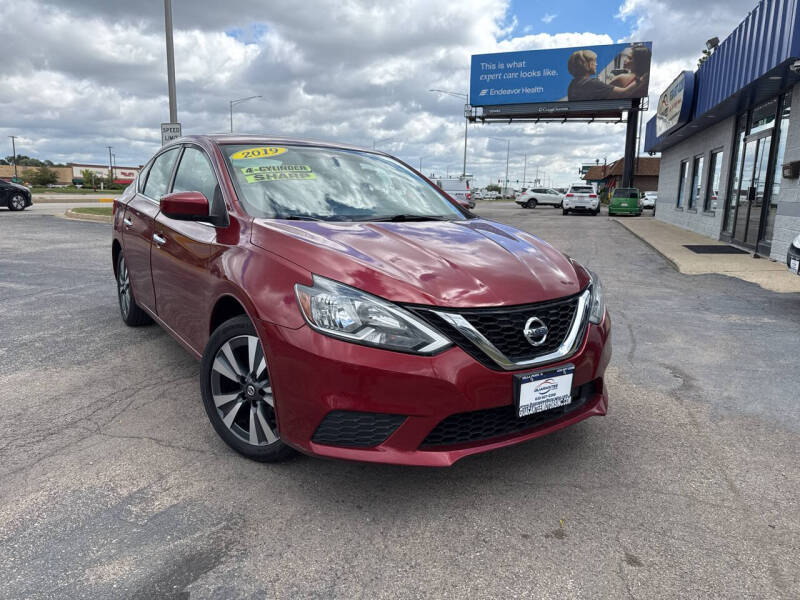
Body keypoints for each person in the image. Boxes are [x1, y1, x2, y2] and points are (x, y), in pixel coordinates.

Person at [567, 49, 648, 101]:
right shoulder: (592, 83)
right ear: (588, 64)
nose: (596, 64)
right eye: (594, 62)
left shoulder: (572, 84)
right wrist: (642, 79)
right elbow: (623, 93)